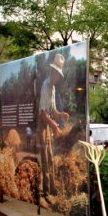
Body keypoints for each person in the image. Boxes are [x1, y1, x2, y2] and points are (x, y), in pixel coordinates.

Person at [38, 53, 70, 198]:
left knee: (51, 156)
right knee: (45, 157)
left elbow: (53, 111)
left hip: (48, 123)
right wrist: (55, 126)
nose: (58, 78)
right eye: (58, 75)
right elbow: (43, 114)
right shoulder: (45, 86)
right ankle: (46, 191)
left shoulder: (53, 88)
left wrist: (61, 115)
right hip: (42, 124)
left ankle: (52, 187)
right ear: (53, 72)